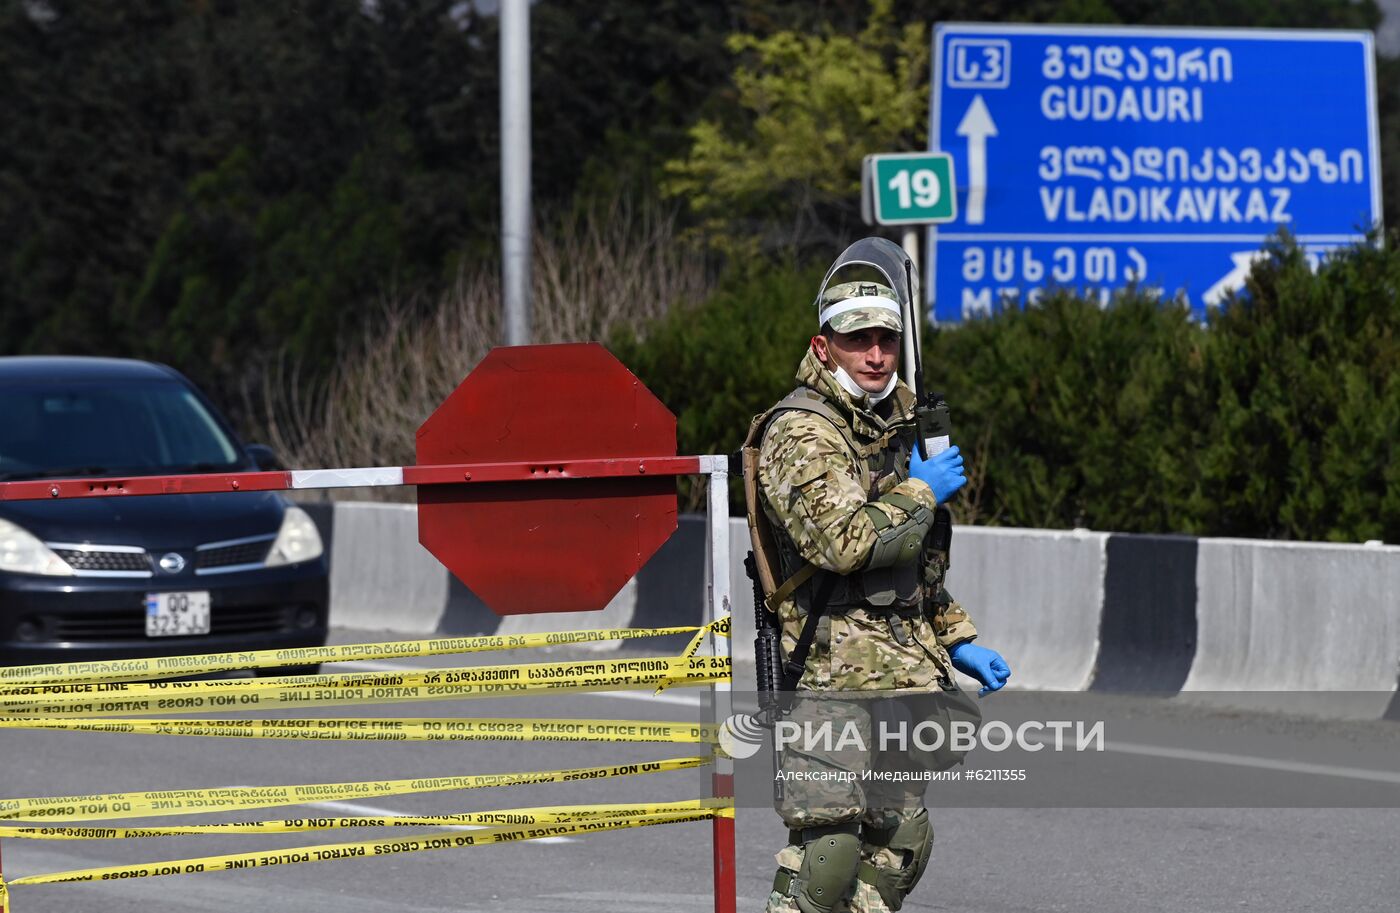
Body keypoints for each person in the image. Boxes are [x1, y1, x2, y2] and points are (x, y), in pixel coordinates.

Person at [746, 248, 1011, 913]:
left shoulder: (902, 420)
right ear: (823, 345)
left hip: (900, 669)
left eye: (886, 339)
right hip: (825, 672)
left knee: (902, 841)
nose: (874, 354)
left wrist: (957, 637)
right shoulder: (801, 431)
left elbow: (915, 562)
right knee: (829, 855)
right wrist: (921, 490)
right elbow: (843, 543)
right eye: (857, 338)